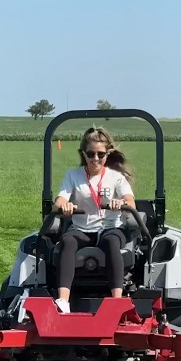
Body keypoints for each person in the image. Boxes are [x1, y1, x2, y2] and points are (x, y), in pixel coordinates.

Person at [51, 126, 137, 313]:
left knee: (112, 242)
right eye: (91, 154)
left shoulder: (116, 178)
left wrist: (121, 203)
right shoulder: (73, 176)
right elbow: (59, 201)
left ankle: (116, 302)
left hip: (110, 227)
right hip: (82, 228)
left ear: (107, 154)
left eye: (100, 154)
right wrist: (64, 206)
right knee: (67, 240)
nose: (95, 159)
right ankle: (63, 301)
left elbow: (130, 201)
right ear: (84, 154)